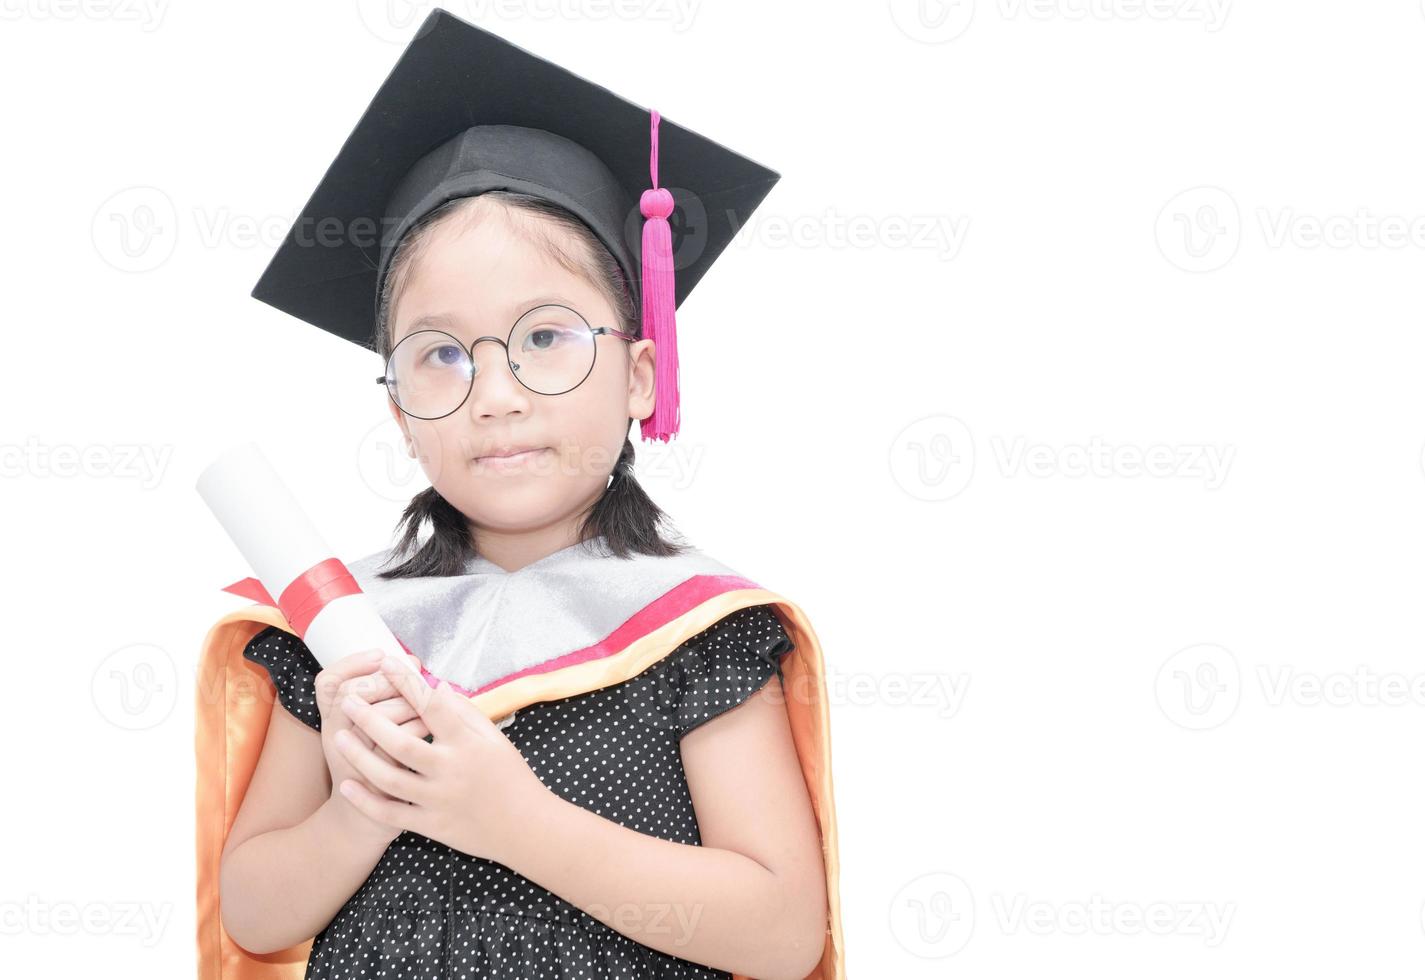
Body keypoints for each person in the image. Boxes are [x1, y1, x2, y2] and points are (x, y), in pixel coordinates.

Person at [193, 9, 844, 979]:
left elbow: (784, 931)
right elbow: (251, 910)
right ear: (400, 409)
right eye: (440, 355)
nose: (493, 396)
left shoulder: (699, 631)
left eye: (544, 336)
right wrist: (360, 805)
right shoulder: (342, 636)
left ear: (639, 376)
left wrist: (514, 821)